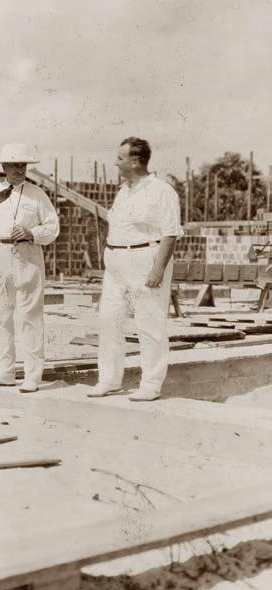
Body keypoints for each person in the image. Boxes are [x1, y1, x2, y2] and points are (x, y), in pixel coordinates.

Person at [87, 137, 183, 402]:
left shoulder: (161, 190)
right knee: (109, 321)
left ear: (135, 161)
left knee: (149, 324)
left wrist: (158, 270)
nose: (115, 163)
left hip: (144, 261)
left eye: (120, 158)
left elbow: (170, 233)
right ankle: (109, 380)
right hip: (116, 263)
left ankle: (151, 384)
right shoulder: (123, 191)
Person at [0, 144, 59, 392]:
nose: (19, 170)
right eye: (14, 165)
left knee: (29, 316)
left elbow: (52, 227)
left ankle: (32, 376)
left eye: (22, 165)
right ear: (4, 167)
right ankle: (4, 372)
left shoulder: (37, 194)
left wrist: (31, 233)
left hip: (26, 255)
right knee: (1, 316)